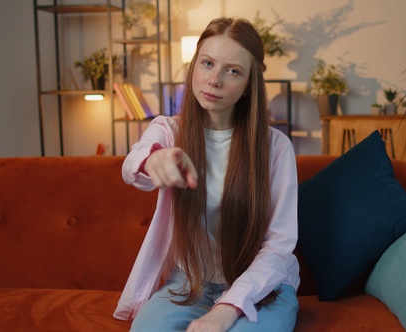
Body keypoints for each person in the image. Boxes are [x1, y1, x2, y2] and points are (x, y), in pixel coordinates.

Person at [114, 17, 300, 332]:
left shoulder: (276, 147)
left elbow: (278, 245)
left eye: (233, 71)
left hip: (263, 287)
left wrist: (226, 309)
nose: (214, 79)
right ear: (194, 67)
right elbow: (133, 166)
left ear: (247, 87)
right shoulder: (168, 130)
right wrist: (152, 160)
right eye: (208, 63)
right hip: (189, 283)